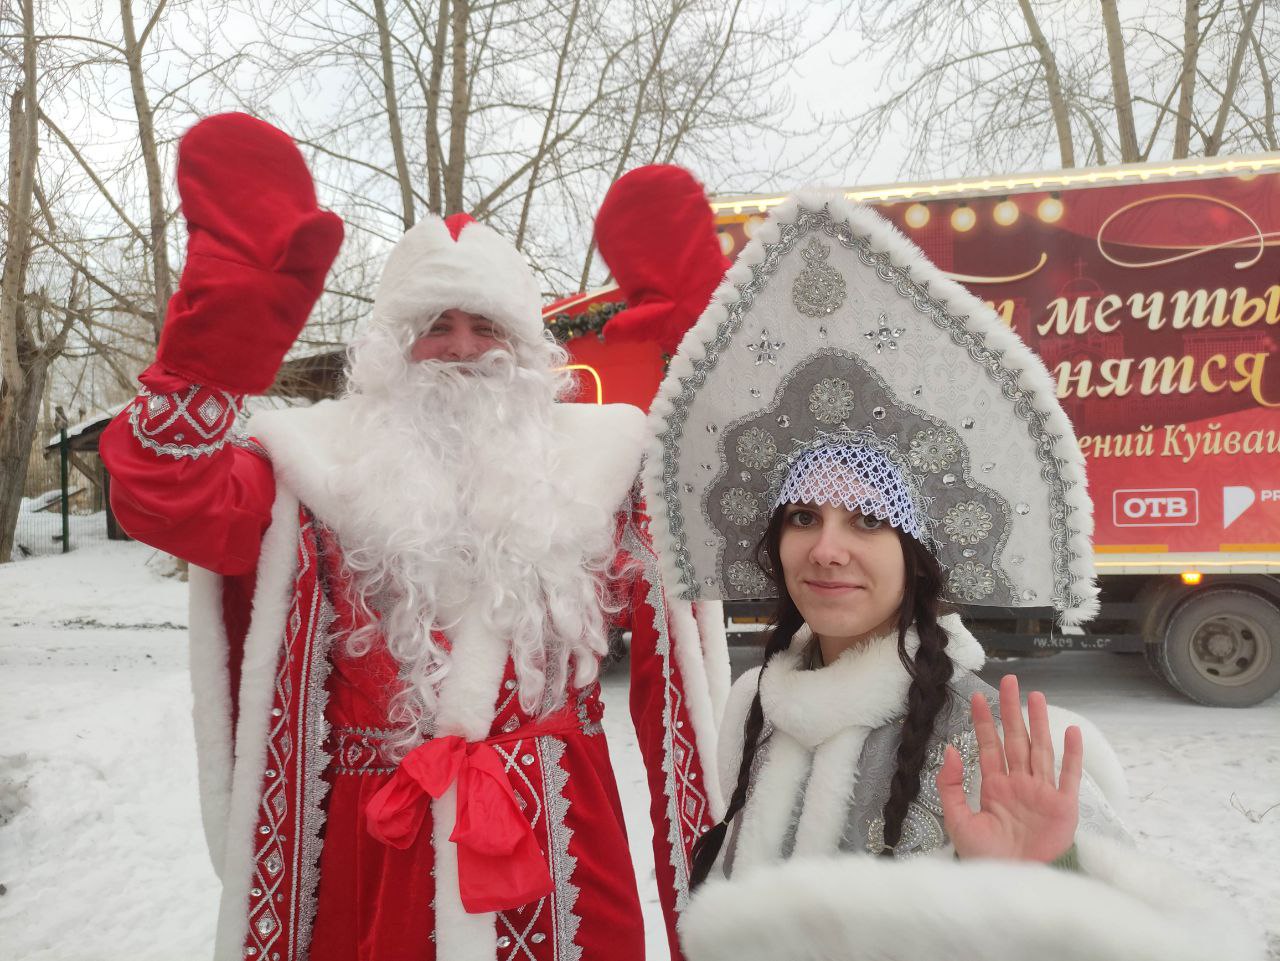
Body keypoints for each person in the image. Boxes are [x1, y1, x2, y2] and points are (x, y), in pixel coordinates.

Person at [99, 114, 726, 961]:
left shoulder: (605, 464)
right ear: (393, 348)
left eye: (487, 326)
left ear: (524, 345)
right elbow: (167, 495)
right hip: (371, 859)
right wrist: (218, 340)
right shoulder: (310, 466)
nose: (462, 349)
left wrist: (710, 348)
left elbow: (740, 508)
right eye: (437, 325)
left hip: (564, 850)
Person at [633, 190, 1265, 961]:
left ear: (919, 554)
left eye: (867, 520)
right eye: (802, 517)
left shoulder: (989, 734)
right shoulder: (753, 705)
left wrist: (1042, 876)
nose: (826, 548)